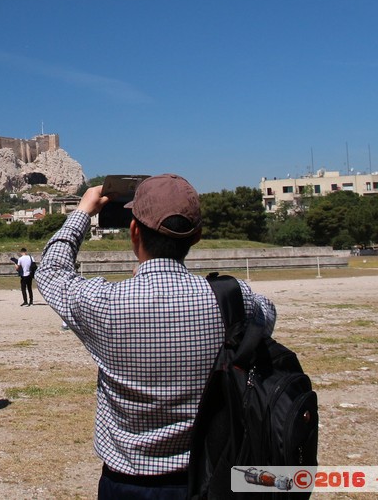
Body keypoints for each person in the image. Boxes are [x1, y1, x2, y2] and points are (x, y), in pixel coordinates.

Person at [36, 174, 277, 498]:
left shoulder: (107, 303)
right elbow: (267, 314)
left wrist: (82, 212)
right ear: (197, 237)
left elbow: (51, 272)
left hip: (128, 484)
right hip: (211, 477)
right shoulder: (233, 299)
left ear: (134, 232)